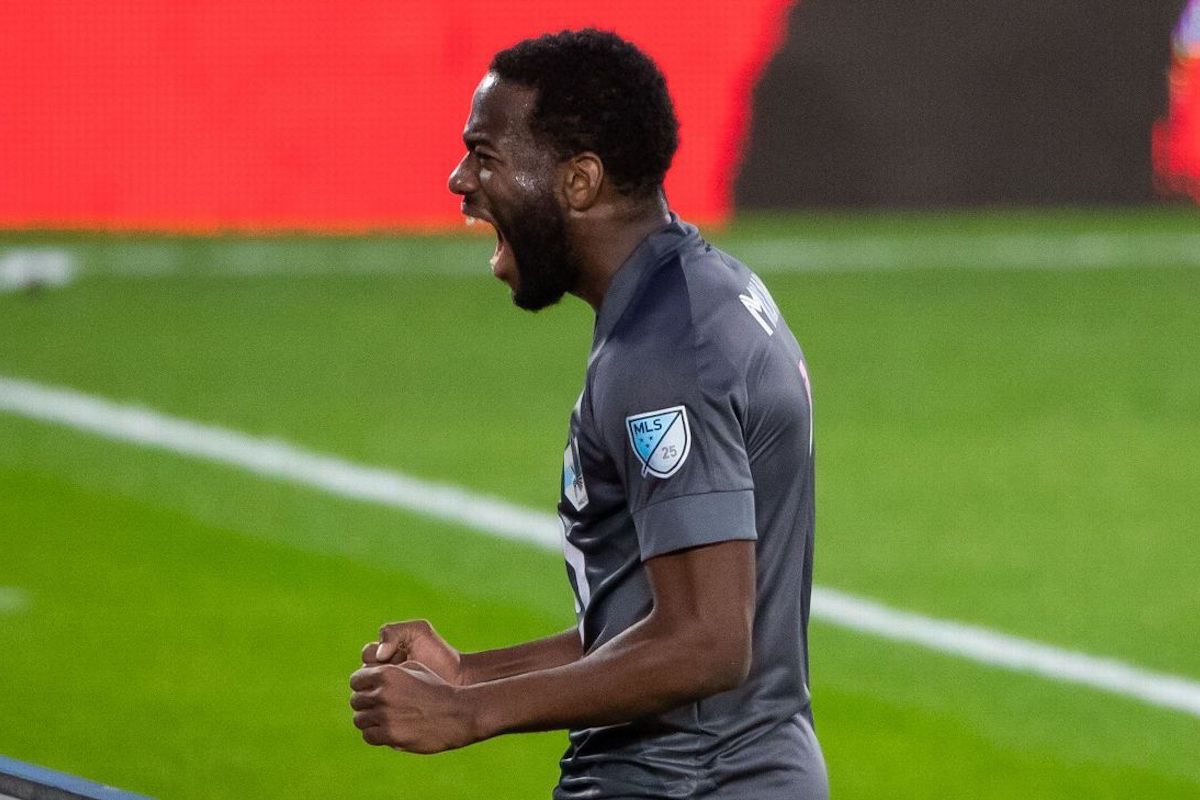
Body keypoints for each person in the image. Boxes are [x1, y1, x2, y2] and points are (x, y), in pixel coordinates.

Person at [350, 29, 828, 799]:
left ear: (579, 183)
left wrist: (471, 712)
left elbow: (706, 644)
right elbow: (648, 623)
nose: (459, 181)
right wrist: (468, 672)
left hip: (687, 784)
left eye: (485, 156)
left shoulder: (668, 353)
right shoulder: (694, 294)